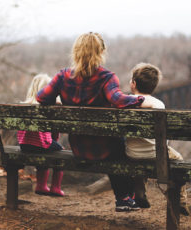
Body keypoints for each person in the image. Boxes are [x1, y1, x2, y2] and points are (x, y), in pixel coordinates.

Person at [37, 32, 145, 211]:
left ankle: (127, 197)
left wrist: (57, 100)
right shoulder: (107, 77)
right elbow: (118, 100)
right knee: (120, 145)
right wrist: (139, 99)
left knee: (116, 144)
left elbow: (41, 97)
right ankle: (125, 197)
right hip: (106, 149)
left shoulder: (62, 76)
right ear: (101, 52)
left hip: (79, 147)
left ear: (76, 52)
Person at [126, 62, 190, 215]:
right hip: (156, 154)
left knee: (139, 161)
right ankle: (181, 200)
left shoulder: (126, 102)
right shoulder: (158, 104)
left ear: (133, 84)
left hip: (132, 154)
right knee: (178, 158)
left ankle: (140, 193)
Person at [17, 73, 65, 196]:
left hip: (24, 145)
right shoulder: (49, 107)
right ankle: (55, 187)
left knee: (43, 149)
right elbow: (54, 134)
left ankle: (41, 185)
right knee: (60, 152)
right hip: (42, 144)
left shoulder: (24, 106)